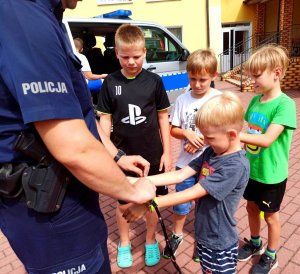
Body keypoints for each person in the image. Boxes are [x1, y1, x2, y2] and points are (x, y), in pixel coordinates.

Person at [0, 1, 156, 274]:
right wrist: (132, 192)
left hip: (69, 204)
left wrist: (117, 156)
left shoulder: (46, 16)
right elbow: (74, 147)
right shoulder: (23, 16)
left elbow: (80, 121)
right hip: (51, 214)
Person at [123, 92, 250, 274]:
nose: (205, 142)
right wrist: (135, 180)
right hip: (205, 235)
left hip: (219, 240)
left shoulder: (235, 166)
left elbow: (192, 192)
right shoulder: (212, 152)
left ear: (231, 134)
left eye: (210, 138)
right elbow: (181, 174)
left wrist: (148, 204)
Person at [97, 24, 172, 268]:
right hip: (123, 156)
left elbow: (163, 118)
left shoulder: (154, 81)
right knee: (124, 203)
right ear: (116, 53)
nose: (131, 62)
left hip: (153, 154)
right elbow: (104, 120)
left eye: (136, 56)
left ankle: (150, 240)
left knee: (150, 200)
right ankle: (125, 242)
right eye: (125, 56)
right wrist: (109, 154)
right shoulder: (110, 82)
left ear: (145, 53)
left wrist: (168, 152)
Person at [237, 44, 297, 274]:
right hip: (252, 170)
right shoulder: (255, 101)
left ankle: (271, 256)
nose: (253, 81)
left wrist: (231, 136)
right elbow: (249, 131)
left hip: (272, 174)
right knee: (251, 207)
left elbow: (267, 139)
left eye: (257, 75)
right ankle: (255, 243)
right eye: (251, 75)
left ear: (277, 73)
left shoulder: (285, 105)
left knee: (271, 216)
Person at [164, 49, 221, 261]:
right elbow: (173, 129)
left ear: (214, 76)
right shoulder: (182, 100)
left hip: (211, 164)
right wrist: (187, 133)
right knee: (180, 203)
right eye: (193, 79)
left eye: (203, 80)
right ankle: (177, 234)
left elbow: (227, 131)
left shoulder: (219, 99)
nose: (197, 84)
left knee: (205, 206)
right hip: (185, 164)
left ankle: (202, 241)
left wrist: (203, 140)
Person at [73, 37, 107, 104]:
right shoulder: (81, 57)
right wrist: (103, 76)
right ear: (81, 49)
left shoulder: (65, 56)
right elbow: (89, 76)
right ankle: (101, 107)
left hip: (71, 85)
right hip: (82, 85)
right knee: (105, 82)